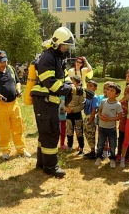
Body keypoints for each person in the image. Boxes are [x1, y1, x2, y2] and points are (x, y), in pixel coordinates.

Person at [30, 27, 93, 177]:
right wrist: (74, 91)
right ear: (56, 43)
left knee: (46, 132)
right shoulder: (48, 57)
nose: (66, 49)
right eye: (64, 46)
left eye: (67, 46)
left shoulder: (57, 57)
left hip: (48, 101)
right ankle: (50, 167)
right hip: (44, 100)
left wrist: (72, 86)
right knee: (51, 132)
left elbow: (63, 76)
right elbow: (50, 82)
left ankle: (42, 163)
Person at [0, 50, 31, 160]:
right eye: (1, 62)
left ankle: (21, 149)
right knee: (3, 129)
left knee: (18, 127)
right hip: (0, 105)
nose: (4, 64)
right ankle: (5, 151)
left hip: (14, 104)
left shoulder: (11, 69)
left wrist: (18, 90)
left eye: (5, 61)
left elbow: (18, 82)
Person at [95, 83, 123, 168]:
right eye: (108, 90)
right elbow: (99, 111)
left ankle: (112, 159)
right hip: (102, 127)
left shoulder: (117, 105)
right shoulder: (103, 101)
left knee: (113, 145)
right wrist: (100, 117)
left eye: (112, 91)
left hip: (111, 128)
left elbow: (119, 116)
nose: (109, 92)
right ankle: (99, 157)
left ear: (117, 94)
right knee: (100, 144)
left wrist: (109, 119)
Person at [64, 75, 85, 155]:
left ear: (78, 84)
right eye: (70, 83)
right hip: (69, 116)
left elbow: (82, 105)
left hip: (77, 116)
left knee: (79, 132)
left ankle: (81, 148)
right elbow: (63, 103)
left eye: (73, 83)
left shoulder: (80, 94)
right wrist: (66, 109)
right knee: (69, 132)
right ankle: (69, 146)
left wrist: (73, 109)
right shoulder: (67, 94)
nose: (71, 85)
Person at [83, 80, 99, 159]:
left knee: (91, 134)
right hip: (86, 116)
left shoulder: (94, 97)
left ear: (95, 88)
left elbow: (94, 109)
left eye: (91, 86)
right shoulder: (87, 96)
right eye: (88, 85)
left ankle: (93, 152)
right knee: (87, 134)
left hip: (91, 117)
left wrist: (90, 120)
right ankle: (91, 150)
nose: (88, 87)